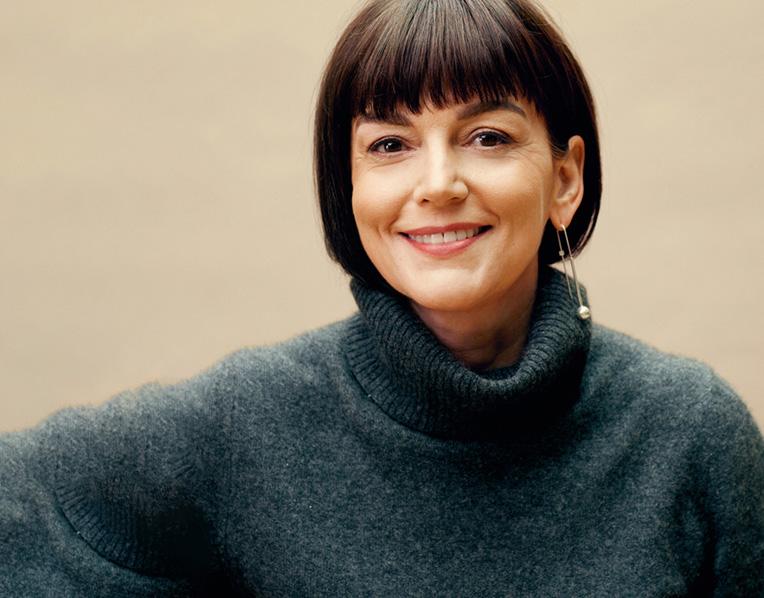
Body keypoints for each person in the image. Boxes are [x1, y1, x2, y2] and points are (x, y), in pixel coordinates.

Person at [1, 0, 762, 595]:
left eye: (488, 137)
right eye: (390, 145)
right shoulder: (246, 425)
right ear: (349, 186)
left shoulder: (690, 434)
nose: (438, 184)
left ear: (565, 179)